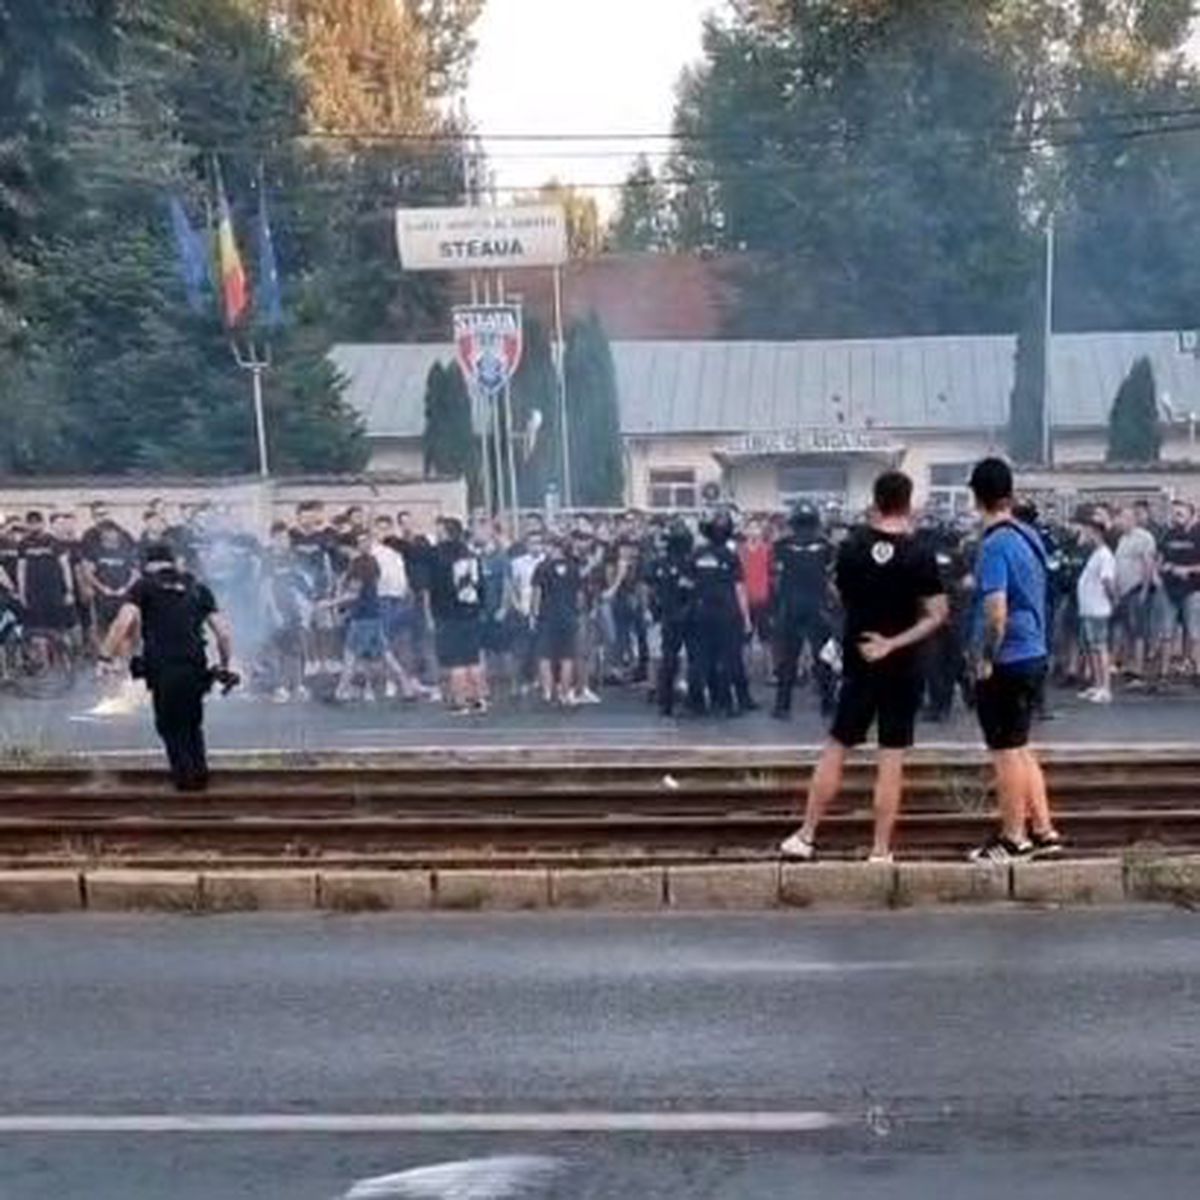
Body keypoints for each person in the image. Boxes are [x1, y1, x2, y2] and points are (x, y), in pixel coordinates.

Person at [781, 471, 947, 864]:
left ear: (876, 500)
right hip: (903, 665)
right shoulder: (918, 553)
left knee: (837, 745)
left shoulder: (852, 546)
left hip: (859, 659)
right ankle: (879, 849)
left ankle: (806, 835)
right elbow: (937, 614)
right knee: (891, 756)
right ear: (907, 504)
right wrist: (893, 641)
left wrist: (863, 614)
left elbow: (836, 590)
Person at [964, 458, 1061, 864]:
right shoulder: (1028, 535)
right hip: (1034, 651)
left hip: (1008, 657)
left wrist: (985, 658)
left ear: (976, 496)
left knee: (1004, 751)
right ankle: (1043, 830)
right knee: (1021, 747)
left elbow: (996, 611)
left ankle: (1013, 837)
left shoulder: (994, 544)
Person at [99, 542, 235, 792]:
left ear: (147, 564)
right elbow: (224, 634)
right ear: (173, 562)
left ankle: (184, 779)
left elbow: (122, 623)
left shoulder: (143, 587)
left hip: (163, 667)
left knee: (169, 724)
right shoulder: (198, 588)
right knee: (192, 723)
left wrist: (105, 657)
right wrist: (225, 666)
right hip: (195, 665)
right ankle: (200, 774)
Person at [771, 502, 836, 719]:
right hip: (817, 606)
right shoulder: (826, 545)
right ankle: (828, 704)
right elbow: (829, 574)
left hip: (791, 605)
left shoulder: (781, 545)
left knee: (788, 659)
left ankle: (783, 707)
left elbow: (777, 578)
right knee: (823, 658)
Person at [690, 510, 752, 716]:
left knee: (702, 659)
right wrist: (746, 618)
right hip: (726, 613)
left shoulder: (696, 554)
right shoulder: (730, 555)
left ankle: (700, 703)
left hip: (701, 613)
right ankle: (725, 704)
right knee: (727, 658)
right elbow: (739, 588)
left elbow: (689, 584)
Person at [430, 518, 487, 714]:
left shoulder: (440, 556)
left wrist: (434, 612)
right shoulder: (471, 555)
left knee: (457, 661)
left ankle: (461, 701)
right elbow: (481, 587)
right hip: (471, 612)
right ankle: (479, 699)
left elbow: (435, 587)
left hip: (450, 614)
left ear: (446, 532)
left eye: (439, 531)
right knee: (473, 659)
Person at [647, 519, 696, 717]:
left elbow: (651, 590)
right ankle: (690, 700)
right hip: (685, 615)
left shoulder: (660, 562)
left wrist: (654, 608)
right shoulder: (690, 562)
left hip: (671, 615)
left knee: (670, 660)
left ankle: (665, 703)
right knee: (689, 659)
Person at [531, 537, 583, 705]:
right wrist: (577, 613)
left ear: (554, 548)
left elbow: (536, 594)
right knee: (567, 656)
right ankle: (565, 693)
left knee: (544, 656)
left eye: (547, 546)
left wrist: (533, 614)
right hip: (568, 617)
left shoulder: (542, 567)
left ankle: (548, 691)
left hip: (547, 617)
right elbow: (580, 596)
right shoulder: (574, 568)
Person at [1155, 500, 1200, 682]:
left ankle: (1196, 671)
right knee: (1166, 632)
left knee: (1194, 631)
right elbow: (1159, 558)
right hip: (1169, 589)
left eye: (1180, 513)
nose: (1176, 517)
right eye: (1174, 513)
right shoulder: (1169, 534)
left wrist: (1187, 570)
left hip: (1193, 589)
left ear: (1191, 514)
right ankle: (1164, 674)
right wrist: (1160, 571)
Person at [1112, 504, 1157, 683]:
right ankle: (1130, 666)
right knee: (1128, 630)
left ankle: (1138, 669)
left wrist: (1145, 589)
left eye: (1122, 518)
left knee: (1138, 630)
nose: (1119, 521)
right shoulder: (1123, 539)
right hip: (1123, 591)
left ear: (1131, 519)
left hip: (1137, 588)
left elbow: (1148, 563)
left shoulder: (1144, 537)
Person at [1076, 514, 1117, 704]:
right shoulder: (1095, 553)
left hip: (1098, 608)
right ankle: (1097, 684)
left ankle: (1106, 688)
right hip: (1088, 608)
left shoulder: (1105, 555)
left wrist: (1113, 600)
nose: (1085, 535)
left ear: (1096, 533)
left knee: (1100, 647)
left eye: (1088, 532)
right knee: (1092, 648)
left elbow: (1107, 581)